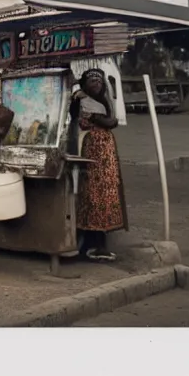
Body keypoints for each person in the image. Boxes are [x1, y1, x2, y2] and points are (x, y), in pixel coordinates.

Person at [69, 68, 128, 261]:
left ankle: (93, 243)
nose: (97, 84)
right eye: (92, 80)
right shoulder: (81, 100)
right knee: (94, 193)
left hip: (104, 151)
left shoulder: (101, 100)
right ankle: (94, 244)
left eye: (99, 81)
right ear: (84, 83)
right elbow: (109, 122)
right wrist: (98, 119)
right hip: (93, 149)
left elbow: (111, 121)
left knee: (101, 193)